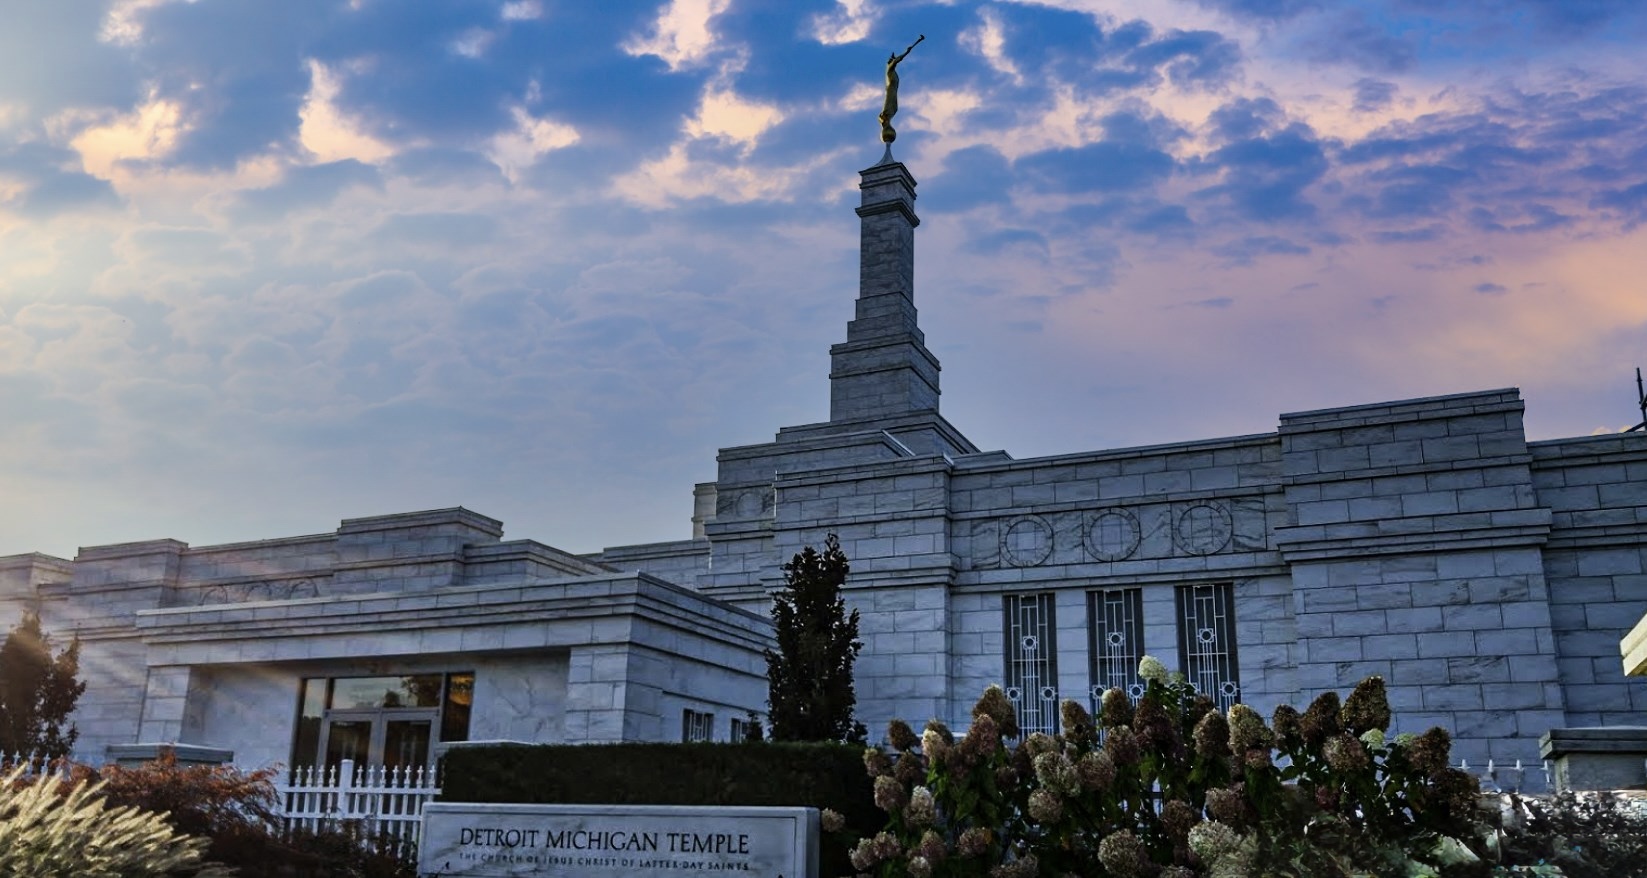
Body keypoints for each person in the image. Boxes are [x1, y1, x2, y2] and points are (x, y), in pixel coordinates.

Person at [878, 34, 924, 143]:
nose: (893, 60)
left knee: (894, 109)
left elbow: (897, 60)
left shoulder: (893, 72)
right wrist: (907, 52)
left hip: (893, 91)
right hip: (890, 91)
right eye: (892, 60)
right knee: (889, 110)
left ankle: (887, 121)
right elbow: (898, 59)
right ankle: (886, 121)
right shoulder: (889, 68)